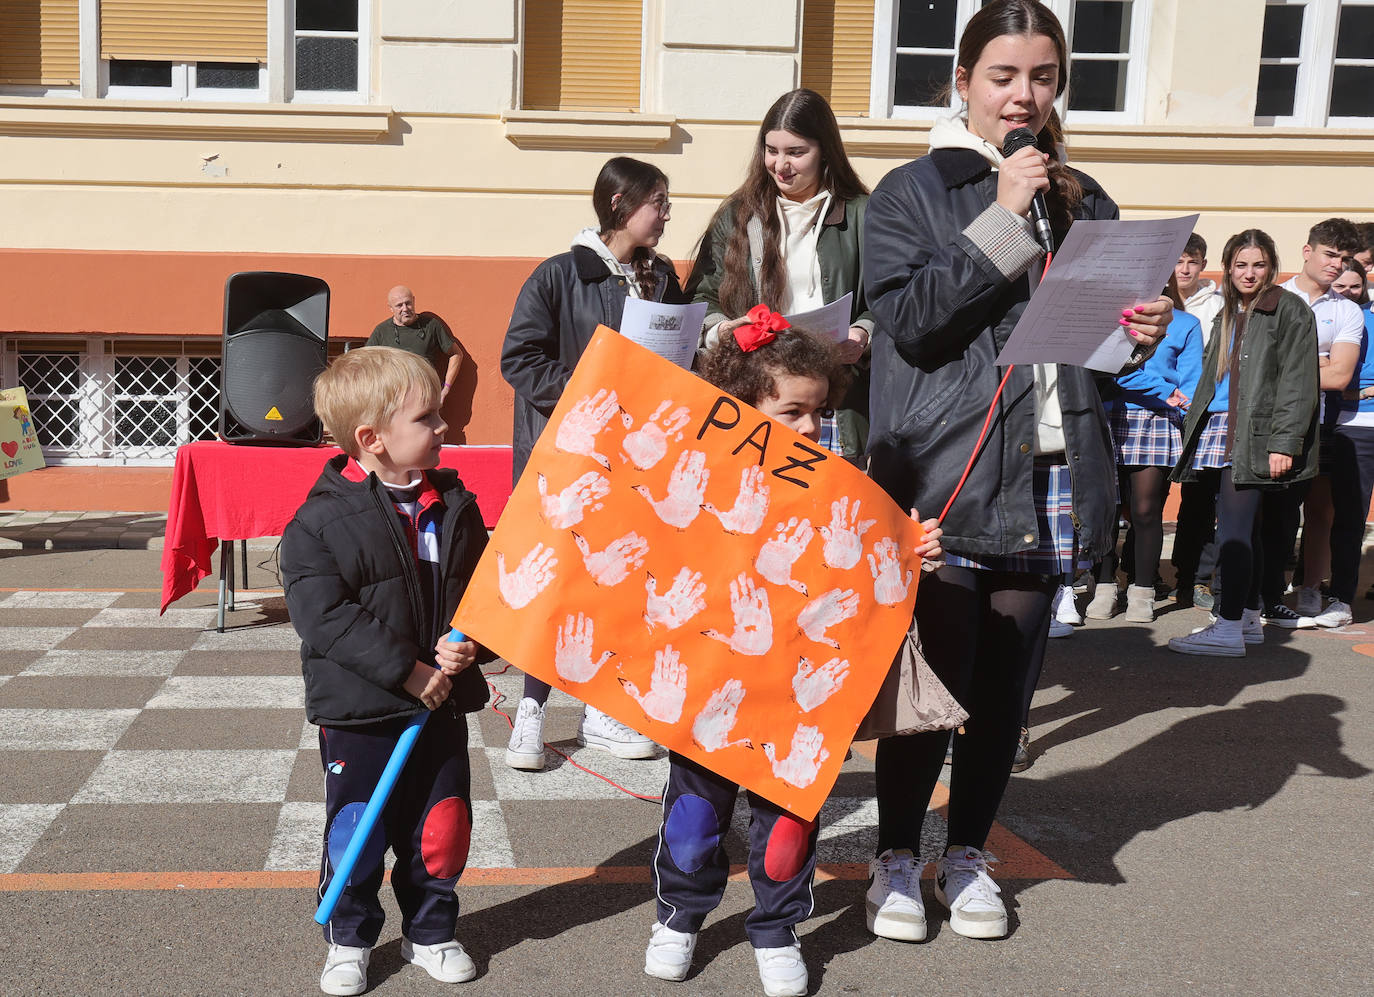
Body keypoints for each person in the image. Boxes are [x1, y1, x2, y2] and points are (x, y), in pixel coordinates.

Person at [859, 0, 1171, 941]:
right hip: (943, 474)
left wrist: (1135, 337)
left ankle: (968, 851)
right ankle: (896, 856)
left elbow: (1088, 354)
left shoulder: (1084, 197)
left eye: (1041, 77)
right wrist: (998, 220)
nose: (1023, 96)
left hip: (1049, 470)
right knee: (933, 684)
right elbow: (912, 324)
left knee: (1004, 692)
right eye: (1002, 76)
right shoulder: (909, 193)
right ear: (963, 84)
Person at [642, 313, 942, 996]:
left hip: (796, 696)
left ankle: (777, 928)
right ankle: (680, 917)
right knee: (693, 821)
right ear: (742, 409)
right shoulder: (703, 473)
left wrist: (912, 549)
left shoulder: (837, 485)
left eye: (820, 411)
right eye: (792, 411)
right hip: (710, 690)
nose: (810, 427)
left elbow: (871, 558)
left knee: (787, 830)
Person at [280, 346, 492, 996]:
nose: (444, 428)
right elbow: (326, 617)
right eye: (428, 418)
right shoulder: (316, 522)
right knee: (357, 832)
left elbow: (487, 591)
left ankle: (431, 929)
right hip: (361, 710)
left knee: (442, 826)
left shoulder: (455, 504)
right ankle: (350, 938)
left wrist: (471, 645)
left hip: (439, 706)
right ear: (372, 439)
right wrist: (408, 668)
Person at [500, 156, 683, 769]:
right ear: (617, 205)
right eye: (657, 201)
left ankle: (604, 711)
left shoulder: (662, 279)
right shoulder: (559, 275)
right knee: (555, 585)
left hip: (635, 464)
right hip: (567, 464)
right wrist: (594, 395)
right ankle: (530, 713)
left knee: (620, 583)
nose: (665, 214)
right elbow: (519, 361)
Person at [689, 88, 873, 465]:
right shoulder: (738, 215)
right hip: (758, 402)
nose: (780, 165)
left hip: (834, 407)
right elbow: (699, 297)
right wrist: (722, 331)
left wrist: (862, 334)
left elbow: (890, 301)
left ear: (825, 151)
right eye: (771, 151)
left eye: (795, 152)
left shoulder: (862, 214)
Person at [1169, 230, 1319, 656]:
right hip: (1223, 428)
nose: (1249, 273)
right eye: (1240, 265)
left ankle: (1228, 625)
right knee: (1244, 531)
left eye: (1258, 264)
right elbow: (1213, 378)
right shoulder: (1229, 311)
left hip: (1255, 434)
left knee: (1234, 532)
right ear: (1228, 267)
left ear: (1271, 265)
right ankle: (1248, 619)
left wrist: (1284, 443)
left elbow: (1297, 381)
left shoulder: (1288, 309)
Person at [1090, 280, 1204, 623]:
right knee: (1105, 508)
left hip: (1157, 420)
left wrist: (1184, 412)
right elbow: (1111, 372)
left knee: (1145, 509)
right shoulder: (1112, 317)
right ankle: (1104, 587)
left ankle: (1142, 592)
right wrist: (1162, 389)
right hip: (1109, 413)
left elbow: (1192, 382)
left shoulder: (1186, 323)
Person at [1277, 218, 1365, 628]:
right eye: (1330, 254)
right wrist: (1319, 360)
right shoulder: (1272, 296)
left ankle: (1310, 586)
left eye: (1344, 258)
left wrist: (1286, 367)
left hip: (1323, 423)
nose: (1337, 265)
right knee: (1269, 509)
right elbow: (1249, 367)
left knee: (1320, 509)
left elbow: (1341, 377)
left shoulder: (1346, 309)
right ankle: (1262, 589)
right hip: (1268, 422)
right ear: (1307, 251)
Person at [1171, 234, 1225, 610]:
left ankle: (1196, 579)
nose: (1185, 269)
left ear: (1202, 265)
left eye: (1192, 261)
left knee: (1201, 497)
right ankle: (1144, 574)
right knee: (1144, 498)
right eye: (1178, 261)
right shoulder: (1153, 298)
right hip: (1158, 406)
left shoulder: (1217, 305)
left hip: (1200, 410)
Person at [1323, 260, 1374, 619]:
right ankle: (1340, 598)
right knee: (1347, 516)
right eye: (1340, 286)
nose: (1347, 292)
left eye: (1354, 286)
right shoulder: (1326, 317)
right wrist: (1360, 394)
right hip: (1348, 426)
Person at [366, 286, 466, 404]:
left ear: (414, 301)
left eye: (408, 303)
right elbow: (366, 364)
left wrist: (446, 388)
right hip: (393, 403)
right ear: (391, 308)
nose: (405, 309)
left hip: (425, 399)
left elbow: (456, 354)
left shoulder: (430, 325)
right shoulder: (382, 331)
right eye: (399, 305)